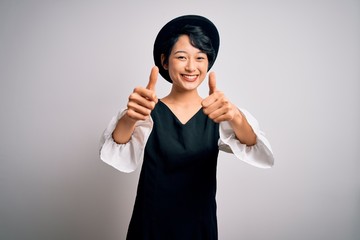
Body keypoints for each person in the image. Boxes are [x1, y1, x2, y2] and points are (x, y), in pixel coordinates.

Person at [100, 15, 274, 240]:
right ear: (165, 61)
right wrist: (129, 118)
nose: (191, 67)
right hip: (150, 226)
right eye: (181, 57)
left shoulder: (218, 112)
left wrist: (236, 117)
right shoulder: (148, 110)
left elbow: (258, 151)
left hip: (199, 226)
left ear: (208, 63)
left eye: (200, 58)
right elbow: (117, 154)